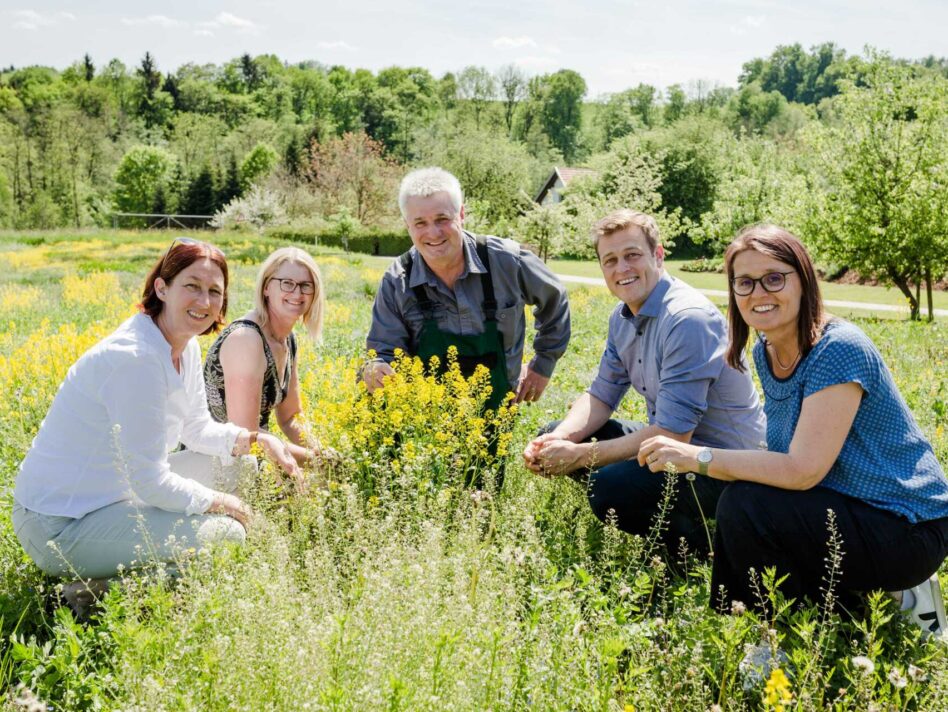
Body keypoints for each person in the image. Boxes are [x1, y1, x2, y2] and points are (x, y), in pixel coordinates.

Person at [637, 224, 948, 637]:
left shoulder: (838, 348)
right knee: (751, 497)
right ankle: (826, 609)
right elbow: (786, 455)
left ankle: (780, 638)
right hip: (848, 506)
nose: (759, 294)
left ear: (803, 280)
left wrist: (700, 457)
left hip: (907, 525)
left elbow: (802, 470)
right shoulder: (768, 350)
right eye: (744, 283)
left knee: (745, 504)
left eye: (774, 278)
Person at [11, 238, 298, 608]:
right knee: (228, 537)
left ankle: (115, 573)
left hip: (113, 494)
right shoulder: (136, 358)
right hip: (60, 525)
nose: (204, 302)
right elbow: (150, 482)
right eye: (192, 286)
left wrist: (257, 440)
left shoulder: (184, 346)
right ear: (162, 288)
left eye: (214, 291)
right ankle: (84, 595)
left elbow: (195, 429)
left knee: (239, 464)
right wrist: (220, 502)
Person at [523, 209, 766, 558]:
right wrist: (559, 440)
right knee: (560, 430)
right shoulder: (622, 317)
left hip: (725, 464)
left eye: (632, 255)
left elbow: (673, 434)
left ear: (659, 255)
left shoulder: (687, 320)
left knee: (610, 487)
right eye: (610, 260)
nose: (622, 268)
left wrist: (580, 456)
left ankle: (698, 550)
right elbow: (601, 395)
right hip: (678, 444)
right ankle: (675, 526)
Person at [364, 167, 571, 485]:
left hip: (495, 408)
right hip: (428, 414)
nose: (433, 233)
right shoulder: (397, 280)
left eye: (442, 219)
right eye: (420, 223)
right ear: (408, 225)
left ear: (462, 214)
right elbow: (386, 348)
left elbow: (555, 299)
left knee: (481, 492)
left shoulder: (507, 261)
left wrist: (543, 363)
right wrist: (378, 367)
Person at [204, 246, 334, 479]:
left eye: (306, 285)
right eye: (287, 283)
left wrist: (321, 452)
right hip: (216, 460)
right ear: (266, 287)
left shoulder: (287, 340)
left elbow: (290, 417)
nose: (297, 293)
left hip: (255, 456)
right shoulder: (247, 339)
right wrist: (318, 463)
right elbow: (246, 434)